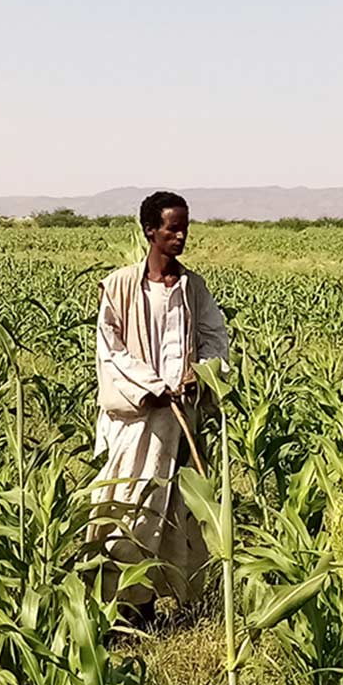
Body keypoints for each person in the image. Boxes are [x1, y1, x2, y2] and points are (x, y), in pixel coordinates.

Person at [89, 190, 231, 608]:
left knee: (178, 513)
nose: (182, 235)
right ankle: (125, 603)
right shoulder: (118, 286)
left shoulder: (193, 287)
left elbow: (215, 339)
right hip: (139, 419)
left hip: (181, 420)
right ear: (151, 231)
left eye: (185, 227)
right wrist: (150, 387)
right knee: (132, 505)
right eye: (173, 228)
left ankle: (170, 599)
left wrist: (200, 373)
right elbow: (110, 349)